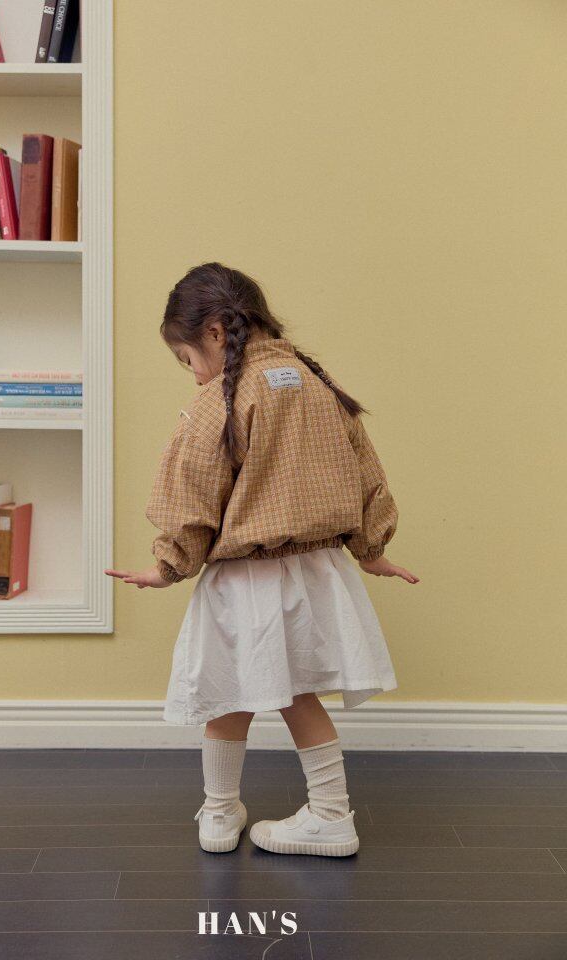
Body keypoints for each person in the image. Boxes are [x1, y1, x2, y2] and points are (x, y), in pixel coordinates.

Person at [105, 261, 419, 858]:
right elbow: (365, 471)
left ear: (215, 332)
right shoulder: (317, 384)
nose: (195, 374)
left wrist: (168, 566)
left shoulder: (220, 401)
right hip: (317, 574)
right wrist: (372, 550)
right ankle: (330, 813)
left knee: (229, 696)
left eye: (188, 358)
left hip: (246, 580)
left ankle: (221, 810)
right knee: (299, 696)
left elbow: (192, 494)